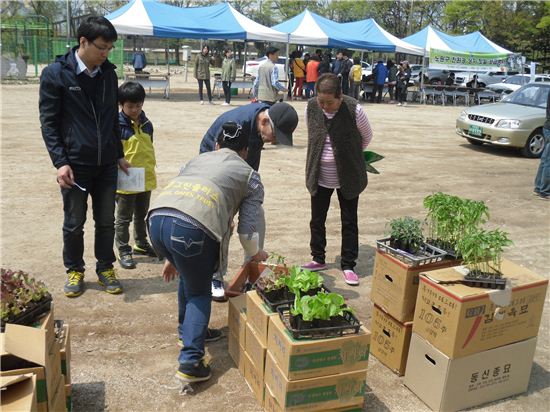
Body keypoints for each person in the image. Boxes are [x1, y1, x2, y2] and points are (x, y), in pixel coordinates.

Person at [148, 122, 268, 383]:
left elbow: (181, 201)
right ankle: (190, 362)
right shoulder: (250, 176)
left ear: (216, 145)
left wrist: (172, 255)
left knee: (191, 277)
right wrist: (255, 253)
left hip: (157, 220)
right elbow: (247, 230)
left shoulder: (196, 160)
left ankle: (187, 331)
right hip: (192, 230)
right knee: (200, 293)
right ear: (245, 151)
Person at [39, 16, 130, 297]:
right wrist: (60, 162)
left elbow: (113, 121)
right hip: (75, 164)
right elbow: (49, 122)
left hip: (106, 165)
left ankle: (105, 267)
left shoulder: (109, 74)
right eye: (101, 47)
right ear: (83, 42)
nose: (106, 53)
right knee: (74, 222)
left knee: (106, 220)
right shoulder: (56, 74)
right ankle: (75, 270)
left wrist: (118, 154)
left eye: (110, 48)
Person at [199, 102, 298, 299]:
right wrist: (228, 209)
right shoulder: (235, 126)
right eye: (275, 135)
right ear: (263, 122)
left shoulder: (260, 124)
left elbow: (250, 167)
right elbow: (217, 167)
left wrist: (248, 198)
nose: (273, 141)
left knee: (256, 214)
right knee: (222, 223)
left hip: (238, 170)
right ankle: (214, 276)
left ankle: (252, 268)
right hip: (214, 170)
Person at [302, 73, 373, 286]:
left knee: (349, 221)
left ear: (340, 96)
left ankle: (348, 264)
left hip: (348, 176)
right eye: (321, 101)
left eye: (329, 102)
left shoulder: (354, 109)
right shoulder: (311, 107)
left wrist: (347, 155)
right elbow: (312, 136)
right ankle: (318, 258)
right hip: (320, 175)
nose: (324, 106)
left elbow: (367, 136)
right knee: (317, 219)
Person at [115, 82, 158, 270]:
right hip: (127, 176)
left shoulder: (147, 124)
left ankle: (140, 243)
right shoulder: (116, 125)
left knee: (142, 214)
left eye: (138, 105)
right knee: (124, 217)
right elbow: (113, 151)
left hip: (145, 175)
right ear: (121, 105)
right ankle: (124, 249)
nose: (135, 110)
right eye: (130, 106)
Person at [533, 88, 550, 200]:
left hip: (547, 126)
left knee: (545, 159)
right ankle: (545, 191)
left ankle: (539, 188)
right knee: (548, 161)